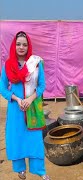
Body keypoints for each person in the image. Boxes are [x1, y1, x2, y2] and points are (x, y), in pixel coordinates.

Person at [0, 31, 50, 180]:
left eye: (24, 44)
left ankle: (39, 170)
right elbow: (2, 87)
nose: (21, 47)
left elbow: (42, 85)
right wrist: (16, 99)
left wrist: (30, 99)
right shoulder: (8, 65)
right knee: (16, 138)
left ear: (29, 46)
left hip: (32, 108)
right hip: (16, 109)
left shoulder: (35, 63)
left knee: (34, 138)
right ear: (14, 46)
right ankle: (20, 169)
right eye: (18, 44)